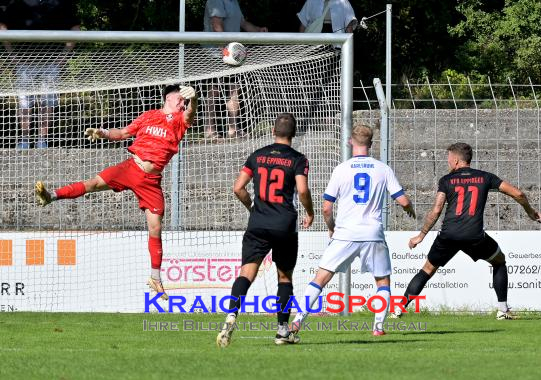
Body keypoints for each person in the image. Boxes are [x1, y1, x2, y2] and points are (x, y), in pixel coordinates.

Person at [34, 84, 198, 300]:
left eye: (185, 100)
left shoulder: (179, 120)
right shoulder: (148, 116)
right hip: (131, 168)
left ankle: (155, 278)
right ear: (168, 98)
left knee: (156, 227)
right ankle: (50, 196)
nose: (183, 102)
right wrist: (102, 132)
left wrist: (194, 99)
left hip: (151, 181)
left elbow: (190, 114)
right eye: (180, 98)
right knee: (92, 184)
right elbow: (122, 133)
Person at [391, 142, 541, 320]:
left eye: (449, 159)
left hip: (448, 235)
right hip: (474, 236)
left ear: (456, 160)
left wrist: (421, 235)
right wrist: (530, 212)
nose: (448, 162)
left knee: (427, 270)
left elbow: (436, 210)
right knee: (499, 261)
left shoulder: (446, 180)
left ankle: (399, 309)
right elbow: (518, 194)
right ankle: (503, 310)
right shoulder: (485, 177)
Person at [290, 124, 416, 338]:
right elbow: (402, 200)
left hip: (345, 233)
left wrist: (331, 228)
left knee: (320, 279)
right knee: (382, 281)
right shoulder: (383, 169)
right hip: (372, 233)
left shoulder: (341, 169)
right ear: (371, 144)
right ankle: (378, 327)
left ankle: (297, 322)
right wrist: (409, 208)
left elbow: (326, 207)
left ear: (350, 142)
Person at [216, 113, 315, 348]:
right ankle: (282, 331)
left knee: (245, 274)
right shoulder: (298, 159)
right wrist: (309, 212)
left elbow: (238, 188)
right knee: (284, 277)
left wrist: (252, 207)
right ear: (293, 134)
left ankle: (231, 317)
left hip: (258, 224)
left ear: (273, 131)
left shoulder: (258, 155)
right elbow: (302, 190)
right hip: (284, 226)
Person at [0, 0, 81, 149]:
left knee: (48, 102)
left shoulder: (60, 3)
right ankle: (24, 141)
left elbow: (75, 28)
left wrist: (63, 56)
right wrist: (11, 55)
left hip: (51, 63)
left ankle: (42, 141)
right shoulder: (18, 3)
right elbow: (3, 27)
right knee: (24, 102)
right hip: (24, 63)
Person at [203, 0, 268, 140]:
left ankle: (233, 129)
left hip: (232, 53)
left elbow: (243, 23)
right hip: (214, 53)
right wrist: (224, 49)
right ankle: (209, 131)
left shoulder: (234, 2)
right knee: (214, 91)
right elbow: (216, 24)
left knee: (234, 89)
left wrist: (258, 30)